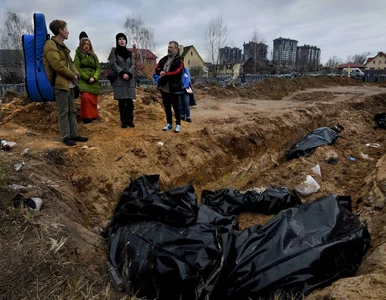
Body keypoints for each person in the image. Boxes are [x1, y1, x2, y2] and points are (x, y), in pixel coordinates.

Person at [43, 19, 88, 146]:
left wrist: (76, 75)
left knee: (72, 110)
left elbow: (71, 63)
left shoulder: (64, 47)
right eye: (66, 29)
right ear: (60, 30)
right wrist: (72, 75)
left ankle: (74, 134)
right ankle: (66, 136)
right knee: (63, 111)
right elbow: (57, 65)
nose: (68, 32)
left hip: (69, 84)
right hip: (60, 83)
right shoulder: (50, 45)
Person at [155, 41, 184, 133]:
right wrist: (160, 72)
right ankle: (169, 123)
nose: (169, 49)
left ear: (176, 49)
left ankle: (178, 124)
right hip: (164, 87)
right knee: (167, 107)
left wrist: (165, 74)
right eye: (168, 47)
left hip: (174, 87)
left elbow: (177, 72)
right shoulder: (164, 59)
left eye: (171, 47)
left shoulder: (179, 60)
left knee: (176, 107)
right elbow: (157, 68)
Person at [108, 33, 136, 128]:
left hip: (129, 80)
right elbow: (114, 64)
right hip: (119, 80)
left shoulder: (130, 53)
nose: (122, 40)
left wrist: (128, 73)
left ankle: (130, 120)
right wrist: (122, 73)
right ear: (117, 41)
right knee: (122, 102)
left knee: (129, 102)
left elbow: (133, 65)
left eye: (123, 39)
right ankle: (123, 121)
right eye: (120, 39)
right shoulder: (114, 52)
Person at [74, 35, 101, 124]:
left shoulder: (94, 56)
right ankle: (86, 116)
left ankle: (93, 116)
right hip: (84, 80)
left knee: (93, 99)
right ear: (81, 45)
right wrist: (87, 77)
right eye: (84, 44)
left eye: (88, 44)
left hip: (94, 81)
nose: (86, 46)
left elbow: (98, 67)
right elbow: (77, 67)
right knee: (85, 97)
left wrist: (95, 77)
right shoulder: (77, 55)